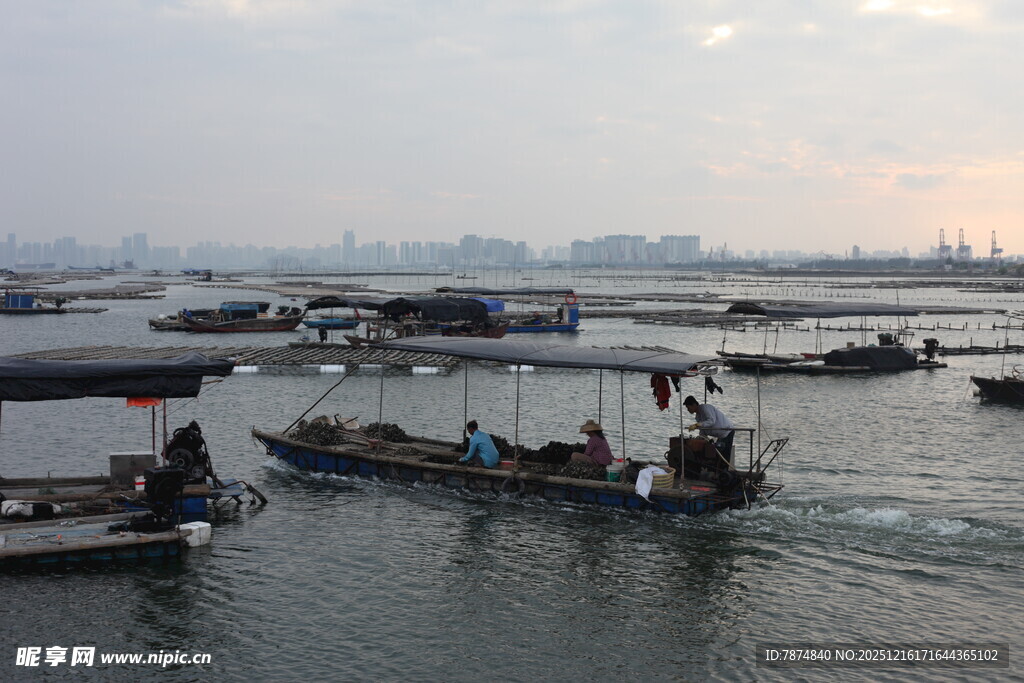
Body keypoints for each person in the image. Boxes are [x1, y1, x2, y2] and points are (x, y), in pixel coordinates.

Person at [683, 395, 735, 468]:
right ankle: (716, 471)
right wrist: (699, 439)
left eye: (688, 407)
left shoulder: (705, 408)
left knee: (724, 456)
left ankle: (723, 474)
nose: (688, 410)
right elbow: (703, 430)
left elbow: (711, 421)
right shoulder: (698, 416)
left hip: (727, 431)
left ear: (694, 404)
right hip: (720, 435)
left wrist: (697, 425)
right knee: (717, 453)